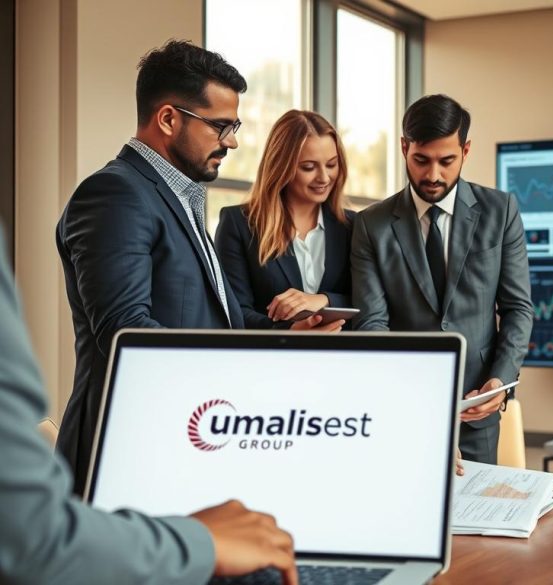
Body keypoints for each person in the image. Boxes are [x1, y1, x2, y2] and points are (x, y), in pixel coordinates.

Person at [53, 41, 329, 495]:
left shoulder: (179, 197)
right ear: (168, 119)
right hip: (129, 452)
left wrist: (282, 336)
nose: (233, 141)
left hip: (181, 441)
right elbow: (128, 335)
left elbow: (208, 320)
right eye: (221, 126)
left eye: (234, 126)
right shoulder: (114, 194)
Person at [0, 228, 299, 585]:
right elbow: (29, 535)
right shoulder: (115, 192)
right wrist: (200, 543)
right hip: (160, 458)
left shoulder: (187, 202)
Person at [351, 94, 533, 464]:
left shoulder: (501, 212)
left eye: (446, 161)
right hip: (402, 409)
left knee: (478, 517)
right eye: (421, 160)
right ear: (404, 148)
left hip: (476, 406)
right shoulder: (372, 224)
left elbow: (517, 308)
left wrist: (499, 380)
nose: (433, 175)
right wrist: (411, 394)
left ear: (466, 151)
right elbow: (371, 321)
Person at [215, 110, 354, 329]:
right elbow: (234, 313)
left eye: (331, 164)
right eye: (308, 167)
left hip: (345, 359)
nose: (324, 178)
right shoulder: (238, 224)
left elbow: (372, 301)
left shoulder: (353, 226)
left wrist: (324, 300)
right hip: (272, 358)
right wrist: (290, 332)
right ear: (281, 166)